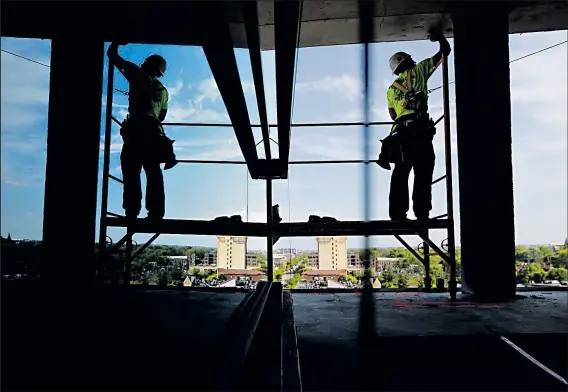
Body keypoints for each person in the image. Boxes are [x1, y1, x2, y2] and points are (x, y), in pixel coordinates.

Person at [377, 32, 451, 222]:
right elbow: (445, 52)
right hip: (420, 133)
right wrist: (440, 38)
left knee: (401, 174)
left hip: (400, 135)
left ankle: (397, 214)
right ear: (410, 61)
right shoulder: (419, 70)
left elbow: (393, 115)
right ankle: (422, 213)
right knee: (424, 172)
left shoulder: (392, 89)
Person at [107, 42, 177, 223]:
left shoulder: (137, 74)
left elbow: (112, 55)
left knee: (131, 172)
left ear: (147, 64)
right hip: (154, 132)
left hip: (137, 131)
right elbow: (161, 116)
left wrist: (116, 42)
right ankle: (155, 213)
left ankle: (132, 211)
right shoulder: (163, 91)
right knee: (153, 172)